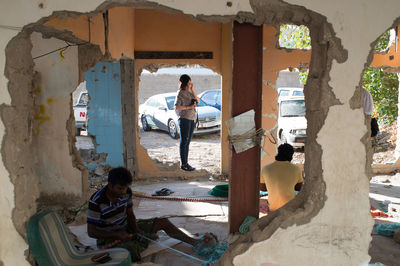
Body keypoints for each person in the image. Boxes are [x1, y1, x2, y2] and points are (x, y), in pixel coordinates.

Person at [87, 167, 215, 262]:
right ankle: (141, 240)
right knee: (130, 250)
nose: (123, 192)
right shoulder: (97, 201)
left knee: (163, 222)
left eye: (125, 188)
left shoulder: (126, 193)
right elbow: (91, 232)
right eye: (120, 188)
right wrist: (117, 235)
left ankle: (194, 242)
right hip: (108, 237)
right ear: (110, 185)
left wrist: (136, 230)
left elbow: (130, 215)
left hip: (126, 229)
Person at [260, 143, 303, 213]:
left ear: (278, 153)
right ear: (291, 156)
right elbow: (298, 188)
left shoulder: (265, 168)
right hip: (290, 207)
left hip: (273, 207)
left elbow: (263, 189)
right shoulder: (296, 169)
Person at [174, 74, 199, 171]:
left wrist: (192, 89)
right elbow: (177, 107)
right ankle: (183, 164)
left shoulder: (189, 92)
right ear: (184, 83)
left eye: (190, 83)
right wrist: (189, 107)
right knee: (184, 142)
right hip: (184, 119)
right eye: (188, 83)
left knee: (187, 142)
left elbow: (198, 101)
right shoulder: (180, 93)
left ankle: (186, 163)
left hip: (192, 119)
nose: (190, 84)